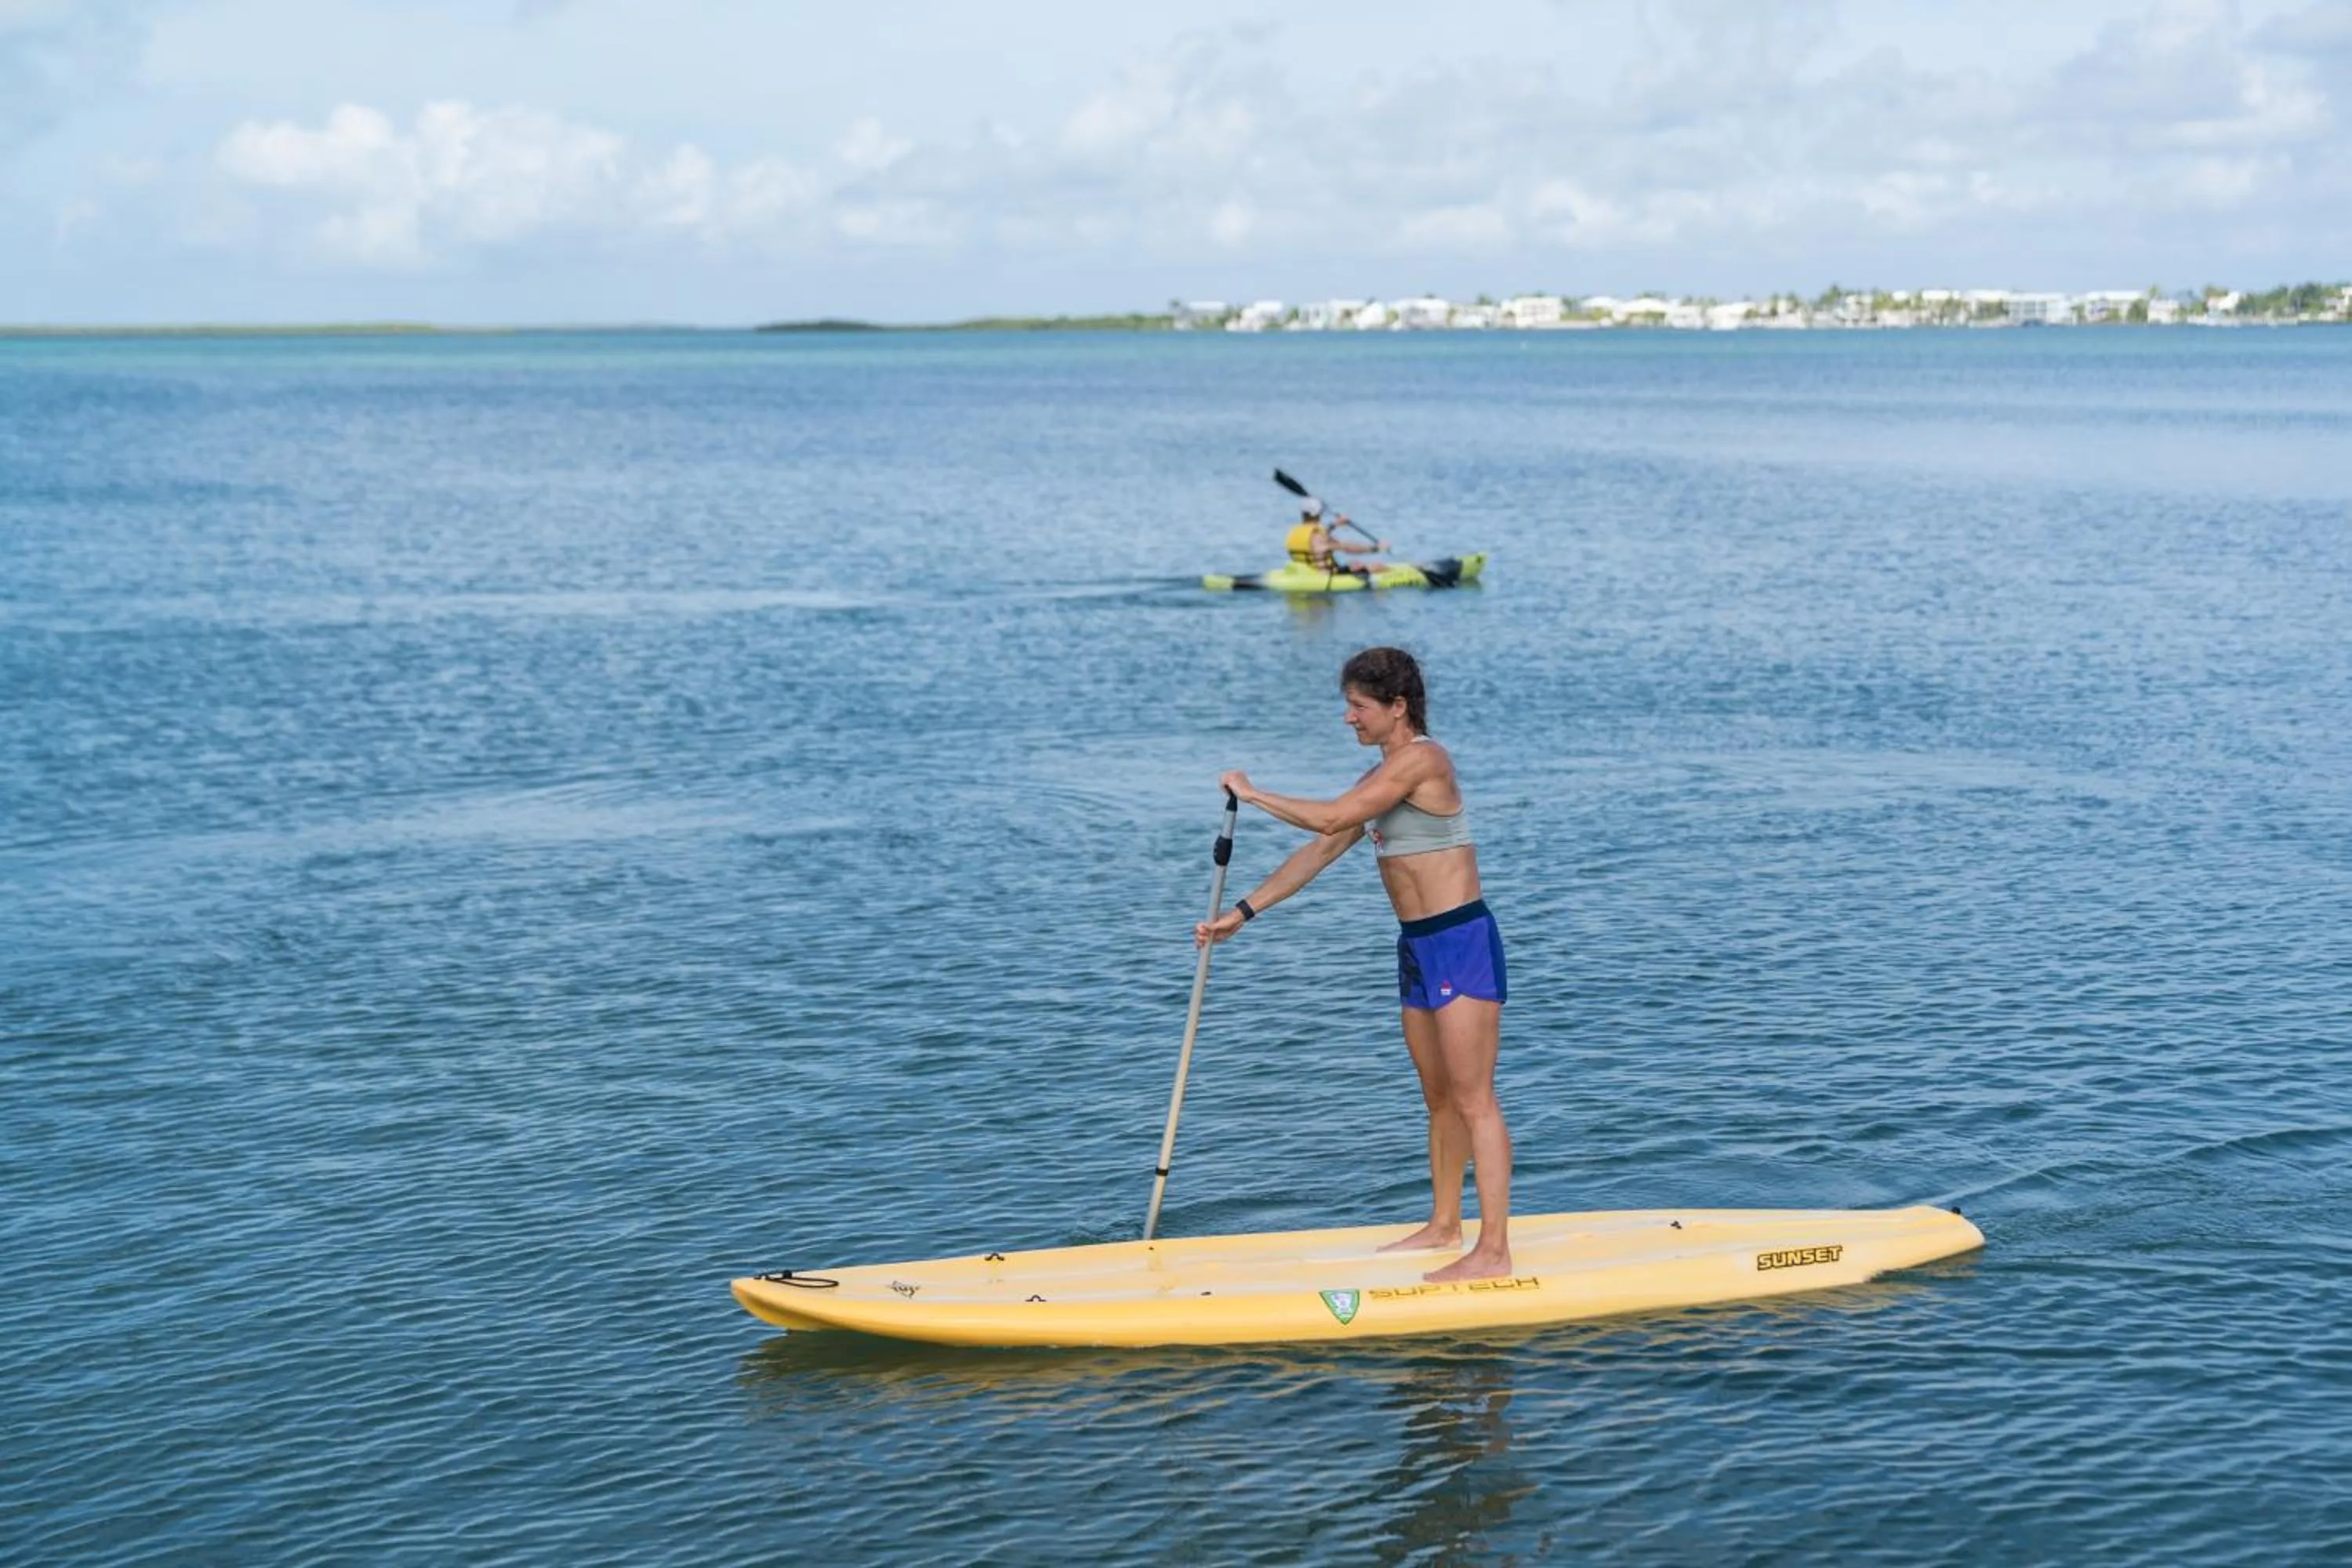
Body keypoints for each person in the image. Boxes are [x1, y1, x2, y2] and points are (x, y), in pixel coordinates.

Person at [1196, 647, 1512, 1282]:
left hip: (1460, 941)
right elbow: (1321, 847)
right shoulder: (1384, 777)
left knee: (1474, 1098)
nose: (1348, 718)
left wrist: (1252, 794)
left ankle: (1494, 1251)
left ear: (1398, 707)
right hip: (1418, 948)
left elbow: (1334, 815)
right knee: (1438, 1097)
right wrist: (1245, 911)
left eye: (1359, 706)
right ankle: (1445, 1225)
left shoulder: (1424, 760)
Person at [1285, 503, 1390, 578]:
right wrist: (1376, 549)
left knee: (1354, 563)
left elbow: (1319, 538)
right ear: (1318, 514)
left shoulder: (1294, 532)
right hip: (1327, 575)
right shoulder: (1318, 537)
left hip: (1309, 573)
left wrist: (1336, 524)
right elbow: (1348, 548)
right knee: (1378, 567)